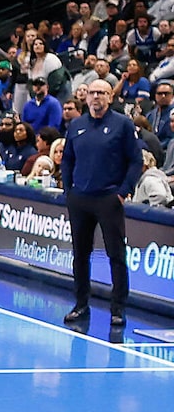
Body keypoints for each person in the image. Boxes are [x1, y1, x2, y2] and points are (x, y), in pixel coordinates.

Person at [56, 77, 142, 340]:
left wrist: (123, 191)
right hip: (80, 199)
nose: (96, 97)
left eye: (102, 93)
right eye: (92, 92)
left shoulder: (123, 125)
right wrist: (69, 190)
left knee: (116, 255)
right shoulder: (77, 125)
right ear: (86, 97)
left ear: (110, 97)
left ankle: (118, 309)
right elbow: (68, 158)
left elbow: (135, 161)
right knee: (80, 255)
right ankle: (81, 305)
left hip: (108, 198)